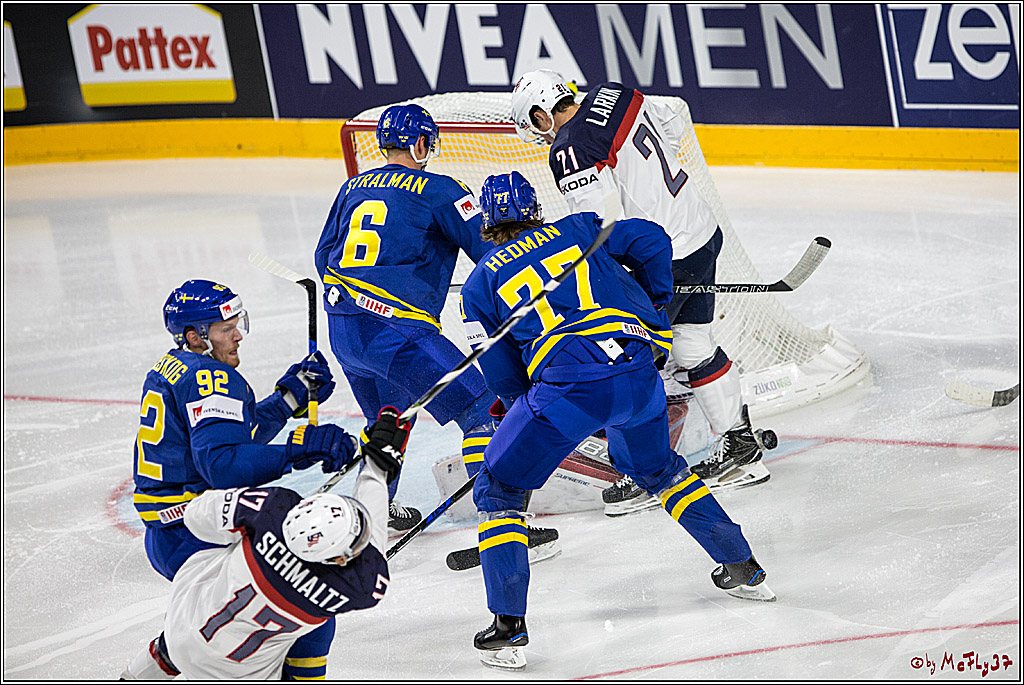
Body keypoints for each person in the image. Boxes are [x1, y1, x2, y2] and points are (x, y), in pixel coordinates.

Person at [461, 172, 775, 670]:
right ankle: (743, 567)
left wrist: (527, 414)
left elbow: (503, 377)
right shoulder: (582, 226)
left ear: (486, 222)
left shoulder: (479, 284)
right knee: (659, 470)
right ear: (534, 209)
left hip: (567, 391)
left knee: (500, 490)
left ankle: (507, 628)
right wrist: (654, 301)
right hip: (638, 371)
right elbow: (651, 237)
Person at [510, 70, 777, 512]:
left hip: (662, 257)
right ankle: (741, 448)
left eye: (536, 123)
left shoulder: (571, 148)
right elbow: (670, 124)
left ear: (541, 114)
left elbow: (598, 228)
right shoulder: (615, 92)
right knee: (692, 344)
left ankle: (641, 473)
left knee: (625, 360)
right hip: (700, 231)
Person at [313, 103, 559, 561]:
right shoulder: (442, 190)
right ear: (422, 143)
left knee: (387, 422)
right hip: (399, 333)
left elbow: (321, 255)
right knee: (483, 408)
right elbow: (495, 253)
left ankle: (373, 518)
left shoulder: (352, 187)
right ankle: (502, 531)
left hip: (345, 333)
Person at [129, 279, 357, 680]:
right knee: (311, 603)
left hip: (171, 529)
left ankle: (142, 672)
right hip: (196, 534)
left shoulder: (176, 363)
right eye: (224, 328)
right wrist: (297, 451)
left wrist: (289, 399)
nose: (237, 335)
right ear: (194, 336)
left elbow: (234, 433)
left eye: (237, 322)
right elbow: (224, 463)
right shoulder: (211, 378)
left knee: (213, 623)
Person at [120, 407, 410, 679]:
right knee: (319, 627)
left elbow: (196, 515)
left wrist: (247, 524)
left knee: (211, 592)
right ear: (339, 559)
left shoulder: (273, 510)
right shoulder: (357, 586)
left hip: (179, 628)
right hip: (237, 675)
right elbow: (374, 545)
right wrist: (376, 468)